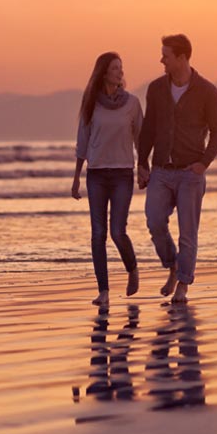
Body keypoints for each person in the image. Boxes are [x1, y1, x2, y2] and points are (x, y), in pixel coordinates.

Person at [137, 34, 217, 305]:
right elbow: (148, 128)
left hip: (190, 173)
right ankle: (172, 266)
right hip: (161, 171)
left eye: (166, 55)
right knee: (154, 221)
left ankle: (183, 285)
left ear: (182, 58)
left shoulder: (207, 91)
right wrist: (142, 163)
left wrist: (203, 164)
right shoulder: (155, 89)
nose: (161, 59)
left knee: (188, 232)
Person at [72, 52, 143, 306]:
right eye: (115, 68)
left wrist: (144, 167)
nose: (120, 72)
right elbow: (83, 140)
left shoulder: (132, 103)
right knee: (97, 233)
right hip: (97, 174)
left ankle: (132, 268)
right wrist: (76, 177)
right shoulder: (91, 102)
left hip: (123, 173)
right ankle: (103, 291)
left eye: (121, 67)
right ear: (104, 73)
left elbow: (140, 139)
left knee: (117, 231)